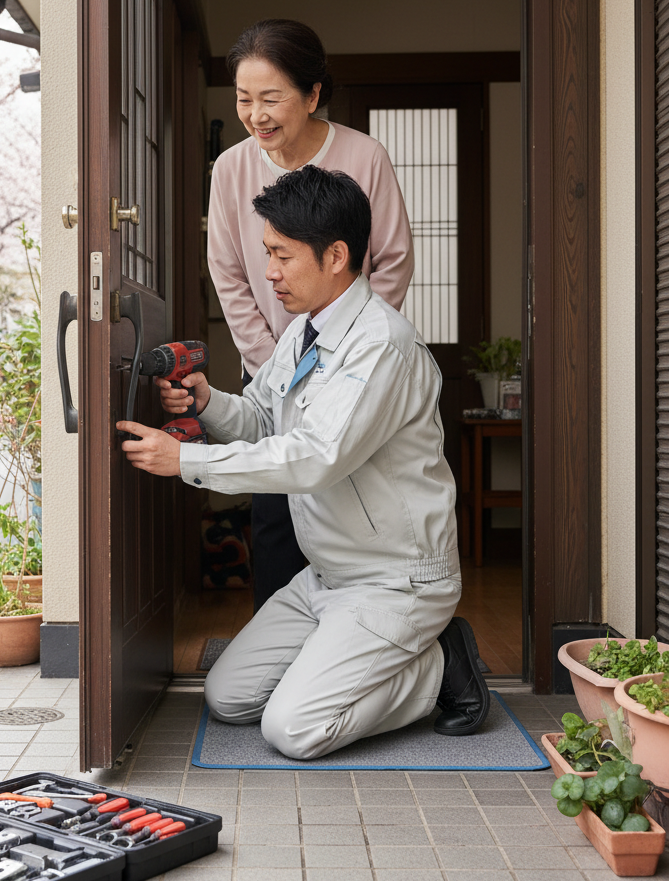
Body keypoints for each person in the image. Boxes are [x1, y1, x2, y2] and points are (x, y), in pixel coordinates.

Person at [117, 166, 488, 760]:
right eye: (267, 253)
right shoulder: (304, 332)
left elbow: (315, 457)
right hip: (325, 578)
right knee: (229, 697)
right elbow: (266, 419)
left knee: (293, 729)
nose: (269, 273)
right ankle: (357, 654)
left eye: (281, 256)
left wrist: (187, 459)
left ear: (336, 255)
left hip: (394, 582)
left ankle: (441, 667)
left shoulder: (382, 346)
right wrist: (209, 402)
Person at [208, 18, 415, 613]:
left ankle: (371, 631)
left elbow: (393, 260)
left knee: (357, 501)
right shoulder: (231, 169)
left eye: (271, 98)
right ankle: (281, 640)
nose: (256, 114)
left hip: (356, 365)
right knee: (274, 510)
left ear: (313, 94)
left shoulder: (363, 156)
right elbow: (228, 272)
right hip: (272, 364)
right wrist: (274, 362)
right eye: (244, 99)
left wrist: (348, 343)